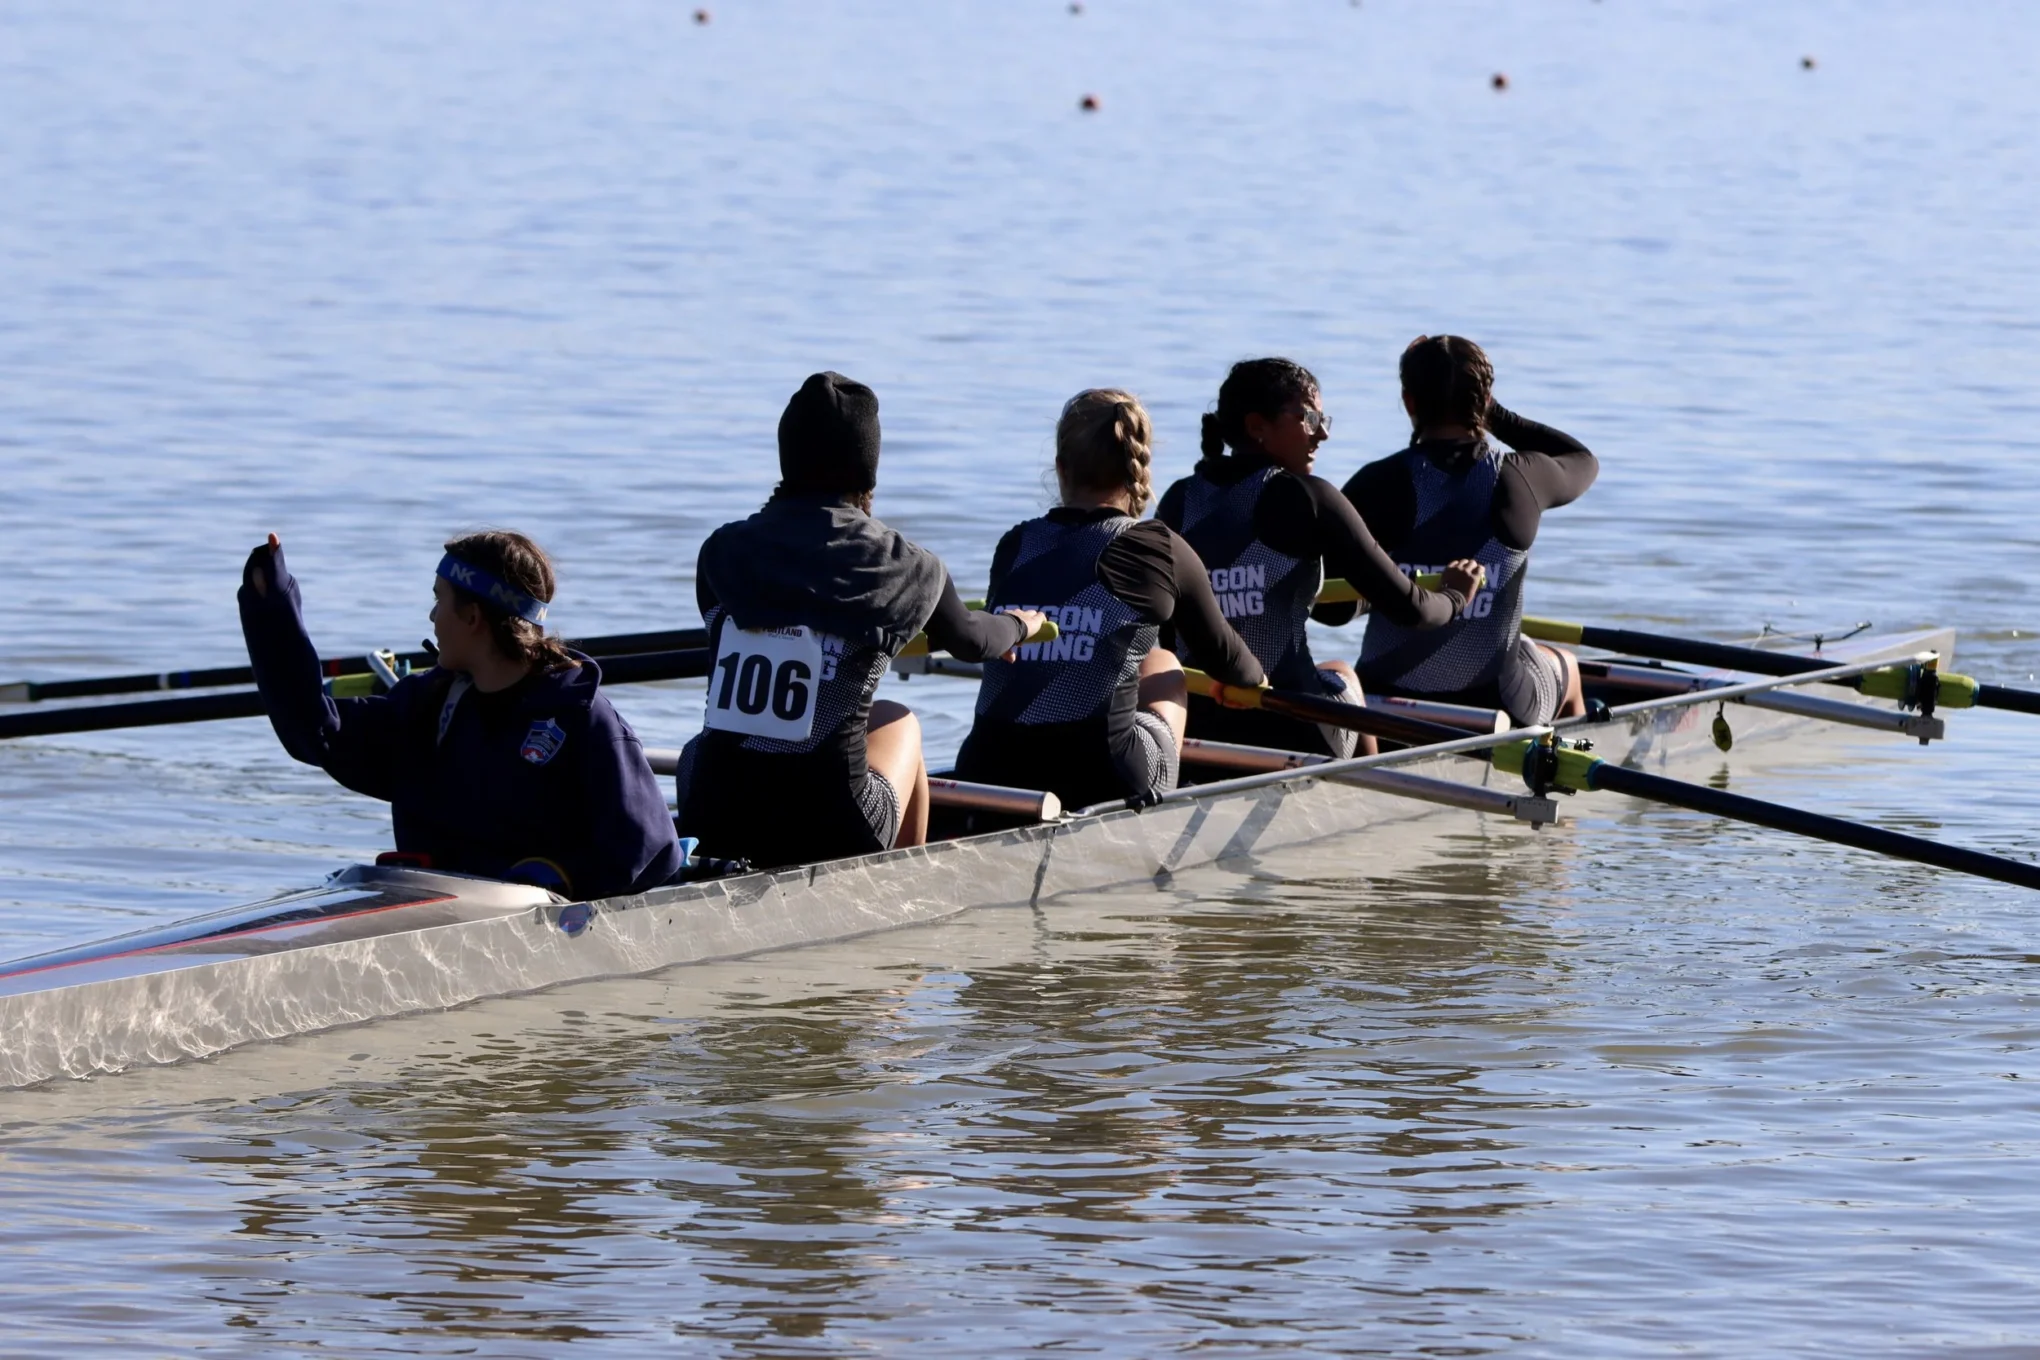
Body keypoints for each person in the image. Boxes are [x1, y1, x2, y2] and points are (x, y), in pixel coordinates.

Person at [675, 372, 1044, 870]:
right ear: (868, 471)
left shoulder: (720, 550)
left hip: (713, 807)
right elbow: (974, 641)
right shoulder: (910, 566)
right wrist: (1022, 625)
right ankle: (906, 889)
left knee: (712, 746)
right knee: (901, 721)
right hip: (832, 821)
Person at [239, 528, 685, 900]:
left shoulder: (582, 720)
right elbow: (314, 733)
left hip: (528, 924)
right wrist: (272, 610)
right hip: (436, 912)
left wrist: (555, 882)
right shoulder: (427, 706)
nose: (433, 616)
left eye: (440, 599)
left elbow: (653, 852)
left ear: (472, 617)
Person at [955, 388, 1271, 812]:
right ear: (1136, 468)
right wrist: (1246, 685)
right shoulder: (1159, 545)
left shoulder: (1017, 543)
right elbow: (1234, 665)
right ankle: (1159, 817)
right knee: (1164, 664)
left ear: (1061, 468)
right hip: (1102, 777)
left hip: (990, 770)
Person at [1156, 357, 1483, 758]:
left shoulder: (1178, 500)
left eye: (1323, 419)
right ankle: (1366, 793)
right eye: (1308, 417)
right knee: (1344, 674)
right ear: (1257, 426)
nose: (1322, 433)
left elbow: (1165, 635)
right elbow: (1411, 610)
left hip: (1201, 723)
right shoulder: (1311, 498)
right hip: (1292, 722)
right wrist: (1454, 597)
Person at [1341, 335, 1598, 726]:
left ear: (1409, 402)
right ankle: (1573, 754)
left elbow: (1335, 609)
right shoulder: (1521, 477)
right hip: (1496, 707)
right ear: (1485, 399)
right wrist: (1490, 412)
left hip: (1382, 695)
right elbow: (1582, 460)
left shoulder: (1374, 483)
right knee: (1568, 667)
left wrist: (1388, 587)